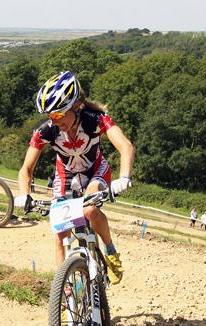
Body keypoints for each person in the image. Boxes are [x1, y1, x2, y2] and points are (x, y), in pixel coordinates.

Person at [15, 71, 135, 285]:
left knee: (89, 209)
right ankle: (64, 293)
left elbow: (125, 146)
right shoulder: (46, 131)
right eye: (50, 116)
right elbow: (26, 168)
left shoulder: (95, 120)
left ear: (76, 105)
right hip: (66, 176)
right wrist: (24, 194)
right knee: (60, 234)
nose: (54, 121)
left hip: (95, 171)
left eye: (59, 115)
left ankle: (110, 251)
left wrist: (123, 177)